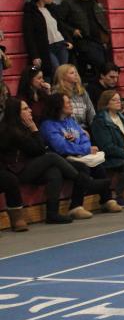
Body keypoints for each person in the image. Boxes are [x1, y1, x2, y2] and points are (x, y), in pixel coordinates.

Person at [0, 96, 110, 224]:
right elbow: (39, 150)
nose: (30, 110)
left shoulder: (23, 127)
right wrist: (34, 128)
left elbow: (39, 149)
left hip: (28, 166)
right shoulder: (11, 130)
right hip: (16, 171)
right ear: (16, 113)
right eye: (25, 109)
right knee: (51, 157)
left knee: (54, 171)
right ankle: (85, 182)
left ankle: (52, 213)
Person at [39, 92, 121, 216]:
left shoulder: (70, 120)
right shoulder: (48, 125)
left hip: (78, 155)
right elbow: (61, 147)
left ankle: (107, 200)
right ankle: (76, 206)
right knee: (83, 168)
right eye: (67, 102)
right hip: (62, 160)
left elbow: (84, 138)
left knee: (98, 165)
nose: (71, 105)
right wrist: (84, 150)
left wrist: (83, 148)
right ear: (58, 106)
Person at [60, 0, 111, 80]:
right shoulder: (68, 3)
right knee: (101, 67)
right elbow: (60, 21)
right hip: (83, 41)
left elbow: (100, 21)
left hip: (98, 42)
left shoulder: (93, 2)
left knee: (102, 68)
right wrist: (72, 30)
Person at [22, 0, 72, 80]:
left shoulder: (52, 8)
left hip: (60, 44)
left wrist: (68, 40)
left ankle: (61, 89)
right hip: (46, 47)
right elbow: (29, 35)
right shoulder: (31, 11)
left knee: (64, 72)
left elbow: (60, 26)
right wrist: (34, 55)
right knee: (55, 69)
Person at [53, 64, 95, 128]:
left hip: (85, 128)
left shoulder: (82, 92)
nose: (76, 75)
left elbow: (91, 112)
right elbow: (59, 117)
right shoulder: (57, 93)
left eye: (76, 72)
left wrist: (95, 127)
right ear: (63, 76)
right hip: (67, 128)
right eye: (72, 73)